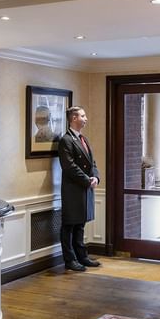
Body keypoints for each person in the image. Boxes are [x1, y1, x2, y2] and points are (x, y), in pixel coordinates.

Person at [58, 106, 101, 272]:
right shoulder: (66, 140)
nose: (86, 118)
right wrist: (87, 181)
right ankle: (70, 260)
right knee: (69, 225)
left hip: (84, 188)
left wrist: (95, 177)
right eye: (83, 116)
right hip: (73, 189)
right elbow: (69, 166)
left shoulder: (83, 139)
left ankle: (82, 257)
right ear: (74, 118)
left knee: (80, 225)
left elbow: (92, 163)